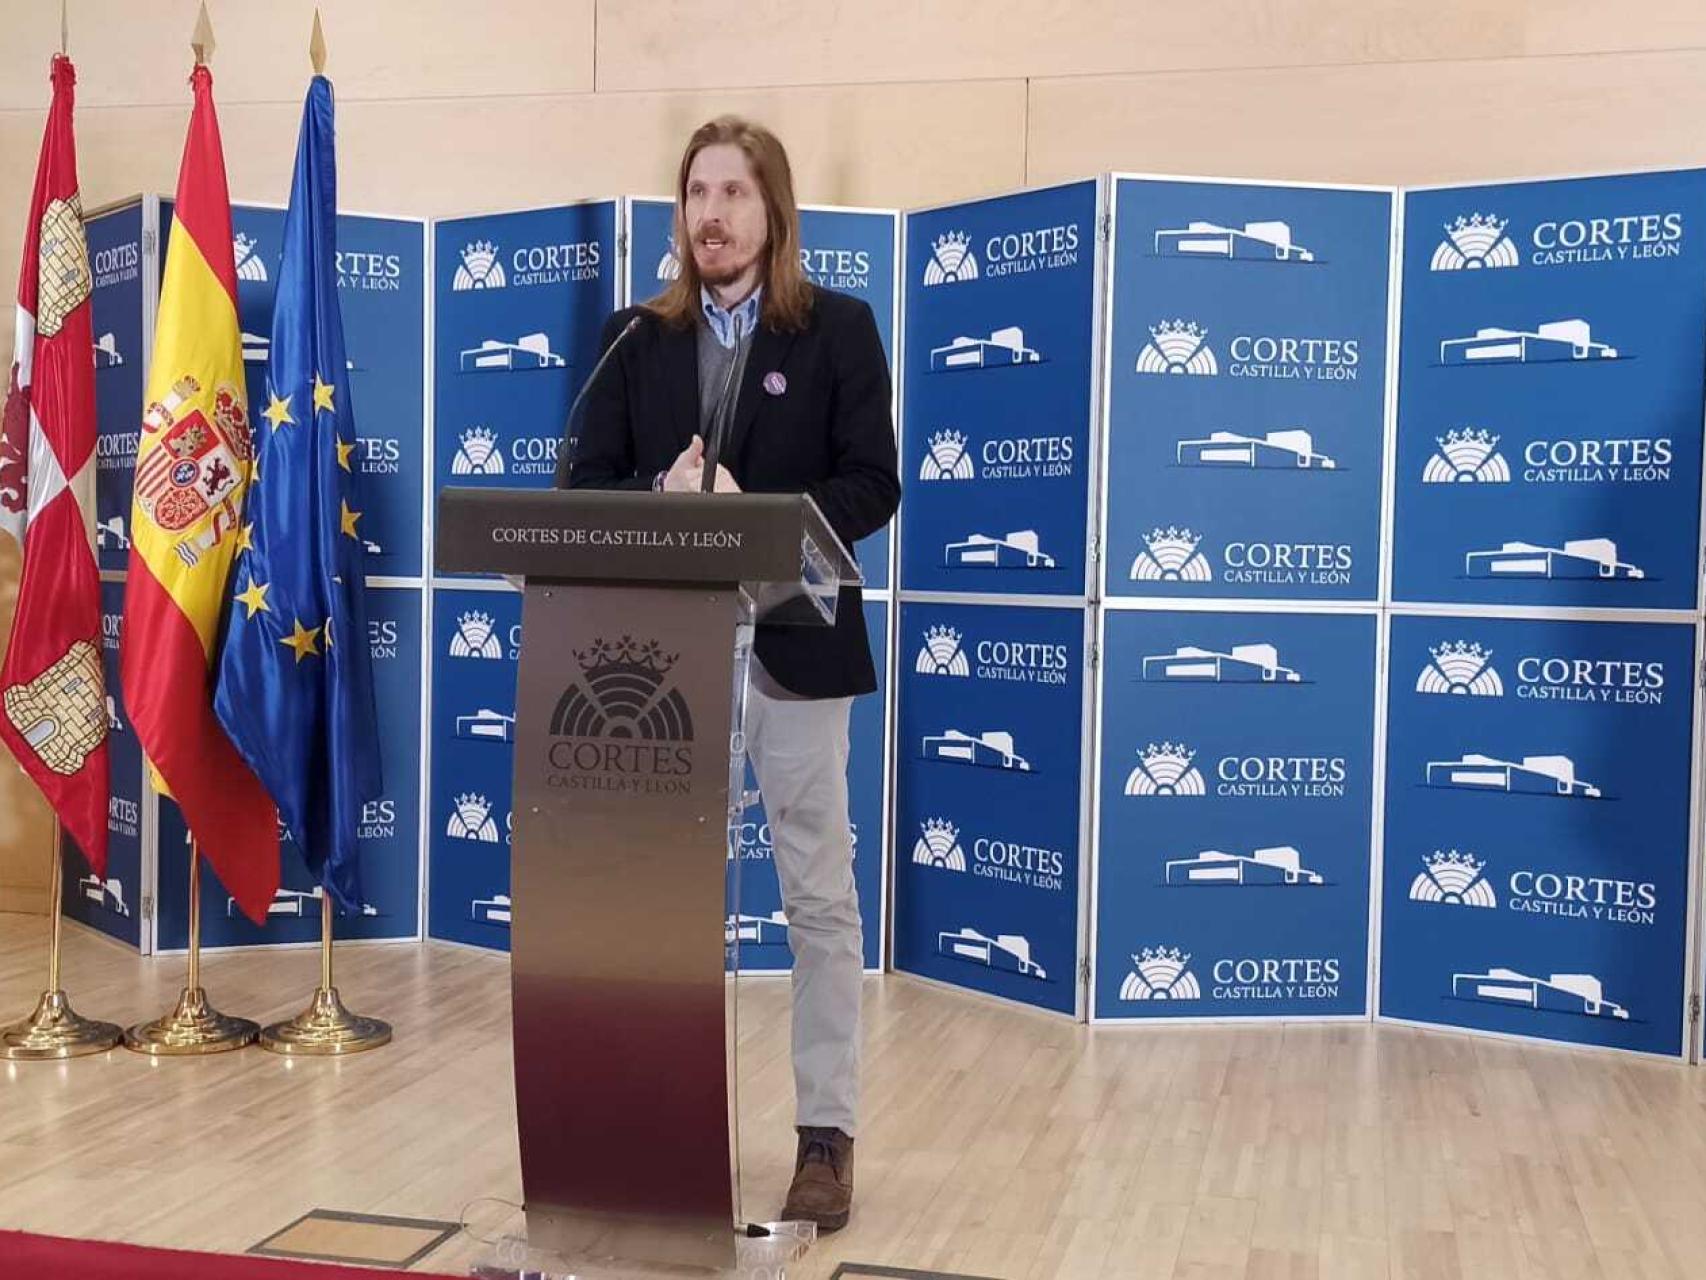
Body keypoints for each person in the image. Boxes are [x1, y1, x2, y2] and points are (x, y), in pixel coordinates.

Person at [561, 115, 900, 1233]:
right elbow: (581, 483)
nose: (711, 213)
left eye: (733, 194)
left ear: (773, 211)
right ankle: (645, 1125)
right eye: (696, 192)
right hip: (656, 667)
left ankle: (823, 1138)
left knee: (816, 897)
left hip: (795, 648)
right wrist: (660, 503)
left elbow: (872, 482)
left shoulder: (838, 329)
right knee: (651, 904)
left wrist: (755, 522)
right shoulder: (631, 339)